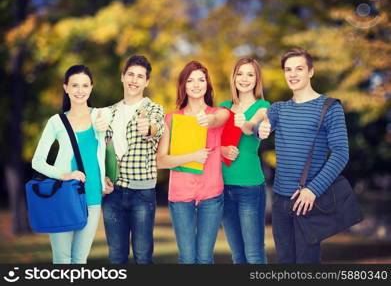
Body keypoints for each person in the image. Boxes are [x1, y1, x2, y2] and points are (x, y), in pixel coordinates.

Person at [253, 48, 349, 263]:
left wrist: (312, 190)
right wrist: (261, 126)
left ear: (311, 72)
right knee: (284, 261)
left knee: (307, 262)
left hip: (310, 201)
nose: (293, 74)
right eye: (288, 70)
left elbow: (341, 154)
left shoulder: (330, 108)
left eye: (299, 69)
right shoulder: (279, 109)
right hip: (280, 200)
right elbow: (256, 127)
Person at [31, 65, 113, 264]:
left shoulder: (101, 116)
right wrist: (63, 175)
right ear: (66, 88)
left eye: (85, 85)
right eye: (75, 85)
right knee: (62, 259)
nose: (80, 90)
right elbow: (37, 161)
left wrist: (106, 178)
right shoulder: (56, 122)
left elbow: (110, 149)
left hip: (92, 196)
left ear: (91, 88)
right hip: (63, 195)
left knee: (80, 259)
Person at [157, 60, 229, 264]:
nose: (196, 84)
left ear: (207, 84)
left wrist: (211, 122)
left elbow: (224, 116)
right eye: (190, 80)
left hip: (211, 194)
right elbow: (160, 161)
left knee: (205, 258)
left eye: (201, 80)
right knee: (187, 258)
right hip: (181, 195)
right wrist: (192, 157)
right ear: (183, 85)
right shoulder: (171, 119)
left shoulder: (217, 116)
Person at [98, 55, 165, 264]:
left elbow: (156, 127)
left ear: (147, 82)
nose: (134, 80)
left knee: (143, 256)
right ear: (122, 77)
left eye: (140, 76)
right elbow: (99, 151)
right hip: (113, 193)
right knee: (116, 257)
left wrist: (149, 128)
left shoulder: (153, 109)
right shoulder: (107, 112)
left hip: (141, 193)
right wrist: (103, 178)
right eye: (131, 75)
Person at [219, 57, 270, 264]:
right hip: (223, 186)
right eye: (240, 73)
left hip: (250, 186)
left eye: (250, 74)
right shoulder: (223, 106)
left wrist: (244, 124)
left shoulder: (263, 106)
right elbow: (212, 143)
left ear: (257, 79)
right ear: (234, 78)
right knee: (237, 255)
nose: (244, 79)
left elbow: (253, 128)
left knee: (254, 254)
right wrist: (222, 149)